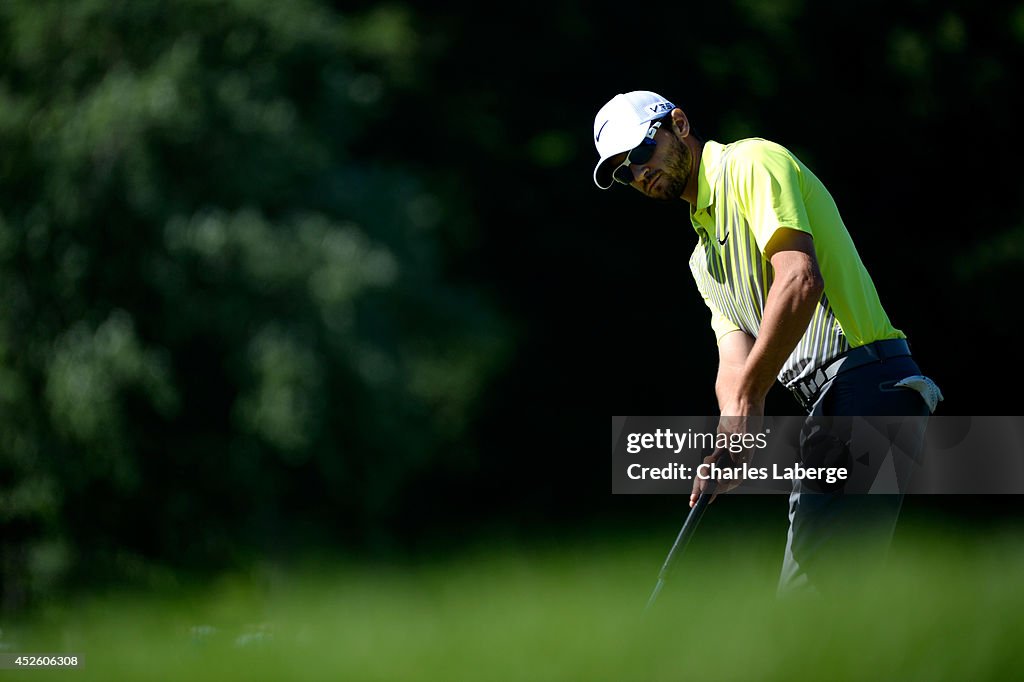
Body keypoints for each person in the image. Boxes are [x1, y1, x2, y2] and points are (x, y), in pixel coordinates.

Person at [593, 90, 943, 596]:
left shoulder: (750, 162)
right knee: (822, 603)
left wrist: (752, 399)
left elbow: (800, 279)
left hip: (867, 382)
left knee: (814, 603)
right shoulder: (703, 258)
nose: (639, 173)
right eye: (625, 172)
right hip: (832, 404)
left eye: (641, 154)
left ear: (679, 124)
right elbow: (734, 365)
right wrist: (728, 446)